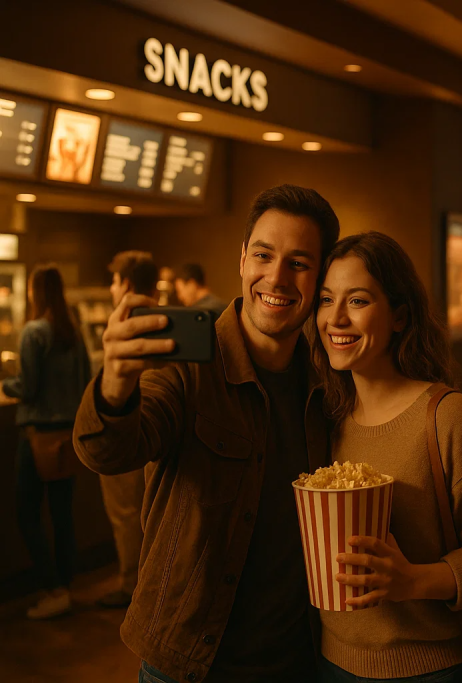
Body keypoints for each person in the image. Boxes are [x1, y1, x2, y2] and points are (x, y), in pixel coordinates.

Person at [73, 185, 339, 682]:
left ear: (320, 276)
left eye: (299, 263)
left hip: (298, 658)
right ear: (242, 259)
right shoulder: (187, 366)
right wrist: (114, 384)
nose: (276, 277)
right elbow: (110, 450)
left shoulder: (328, 385)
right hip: (189, 663)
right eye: (264, 255)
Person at [312, 231, 462, 682]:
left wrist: (413, 581)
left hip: (432, 669)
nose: (336, 319)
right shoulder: (326, 417)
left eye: (359, 301)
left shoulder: (448, 417)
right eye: (327, 300)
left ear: (401, 316)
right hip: (330, 664)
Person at [5, 265, 91, 619]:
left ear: (34, 293)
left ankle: (51, 587)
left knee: (26, 514)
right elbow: (87, 381)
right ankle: (65, 587)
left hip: (39, 436)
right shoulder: (73, 331)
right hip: (70, 436)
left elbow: (28, 388)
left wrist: (5, 385)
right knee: (62, 515)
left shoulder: (33, 332)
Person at [96, 250, 159, 609]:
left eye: (115, 281)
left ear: (128, 285)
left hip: (129, 427)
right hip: (159, 435)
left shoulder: (125, 325)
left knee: (125, 513)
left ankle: (130, 587)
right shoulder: (168, 319)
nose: (111, 289)